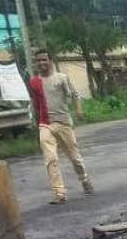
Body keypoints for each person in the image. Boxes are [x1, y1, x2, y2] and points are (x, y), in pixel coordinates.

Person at [27, 49, 93, 204]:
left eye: (44, 59)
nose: (41, 63)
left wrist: (78, 110)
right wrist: (36, 121)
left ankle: (84, 180)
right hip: (45, 124)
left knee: (75, 158)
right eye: (38, 61)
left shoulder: (62, 78)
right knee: (50, 159)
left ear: (50, 60)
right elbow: (35, 103)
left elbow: (75, 95)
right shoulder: (34, 82)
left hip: (63, 122)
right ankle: (59, 193)